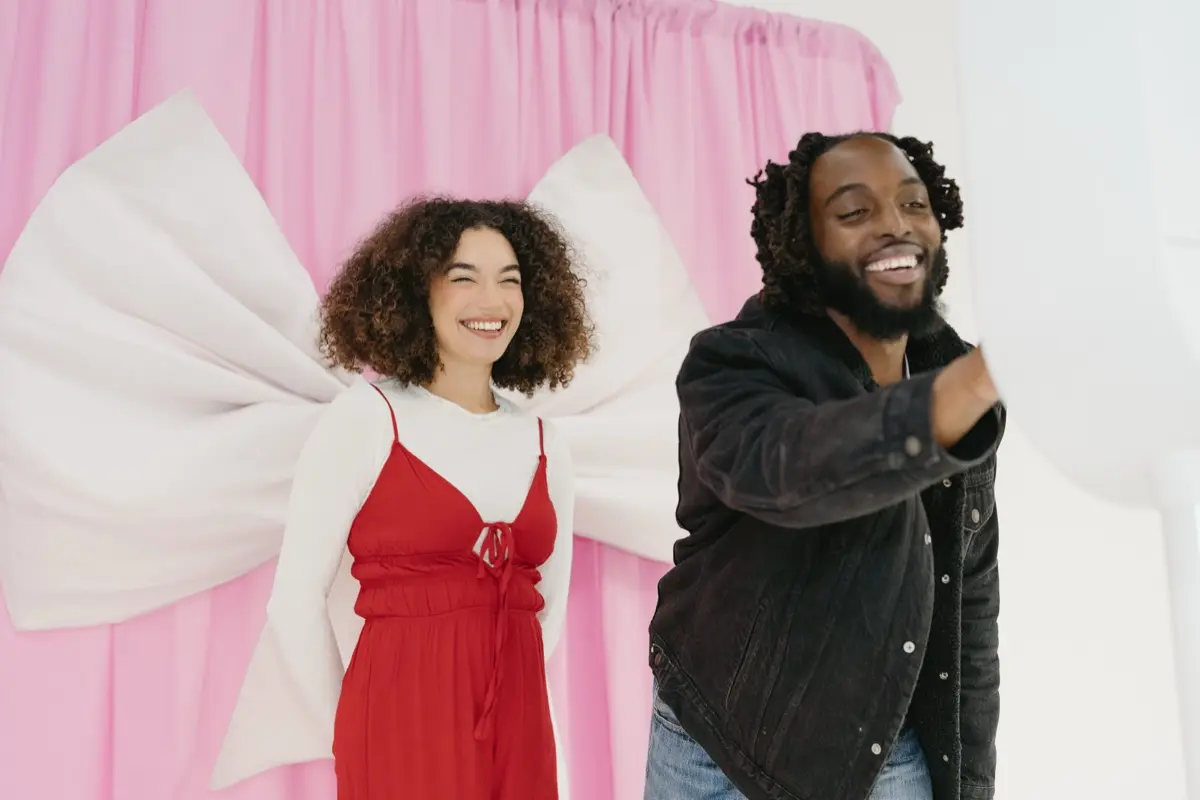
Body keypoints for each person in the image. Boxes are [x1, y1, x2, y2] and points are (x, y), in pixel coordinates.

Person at [643, 133, 1004, 800]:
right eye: (854, 211)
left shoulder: (949, 365)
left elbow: (969, 600)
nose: (895, 225)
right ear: (803, 246)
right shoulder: (732, 362)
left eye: (913, 203)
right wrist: (976, 382)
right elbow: (794, 470)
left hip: (887, 756)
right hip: (724, 749)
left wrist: (970, 785)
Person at [262, 198, 594, 798]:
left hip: (518, 729)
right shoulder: (367, 418)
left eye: (510, 280)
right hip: (398, 725)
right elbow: (294, 602)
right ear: (417, 291)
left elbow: (546, 616)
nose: (492, 301)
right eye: (464, 278)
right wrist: (353, 731)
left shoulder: (546, 441)